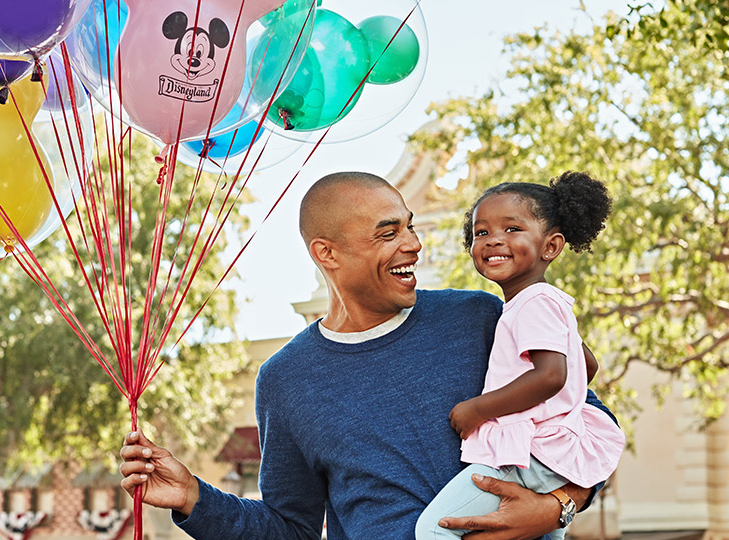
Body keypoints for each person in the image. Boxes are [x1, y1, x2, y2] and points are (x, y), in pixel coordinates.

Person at [120, 171, 618, 539]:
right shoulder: (286, 380)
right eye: (388, 233)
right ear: (327, 254)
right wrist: (194, 500)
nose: (414, 245)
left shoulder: (480, 317)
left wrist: (557, 509)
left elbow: (588, 425)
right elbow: (290, 528)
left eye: (409, 227)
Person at [414, 172, 625, 540]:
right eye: (481, 232)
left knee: (435, 530)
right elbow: (584, 366)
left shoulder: (534, 301)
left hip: (529, 454)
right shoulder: (544, 302)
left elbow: (550, 376)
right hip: (552, 455)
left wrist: (477, 410)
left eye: (512, 229)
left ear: (551, 246)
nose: (494, 239)